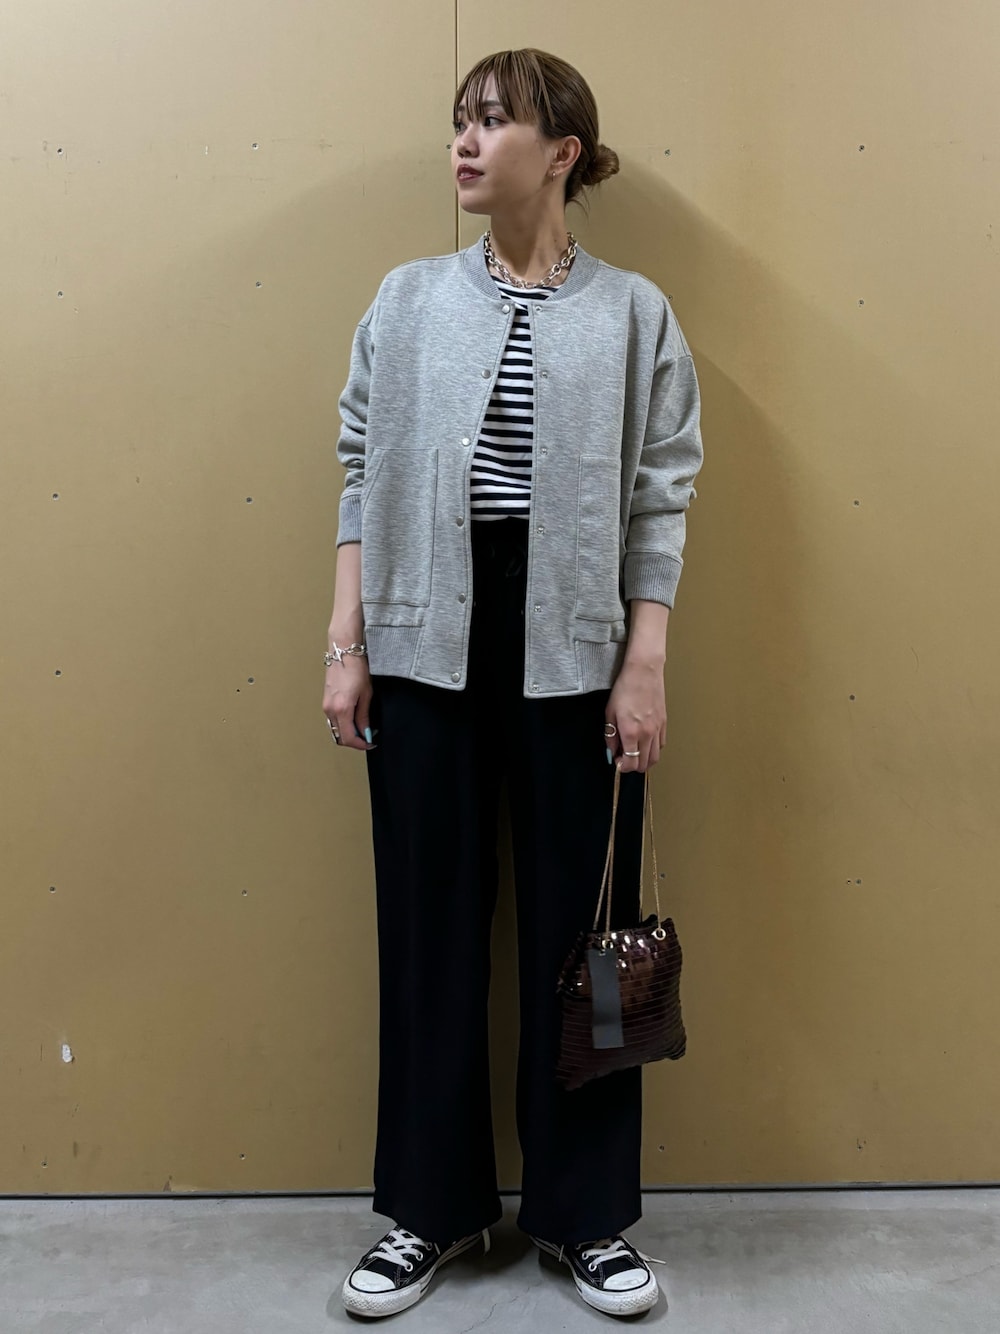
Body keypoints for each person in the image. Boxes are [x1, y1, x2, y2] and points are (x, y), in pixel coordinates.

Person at [322, 47, 703, 1320]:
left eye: (494, 121)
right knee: (429, 929)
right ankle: (428, 1208)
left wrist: (642, 661)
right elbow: (358, 466)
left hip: (576, 647)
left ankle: (586, 1214)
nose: (466, 142)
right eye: (459, 121)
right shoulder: (409, 298)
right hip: (425, 636)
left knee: (585, 940)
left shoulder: (634, 313)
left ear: (563, 151)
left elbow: (661, 493)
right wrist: (346, 644)